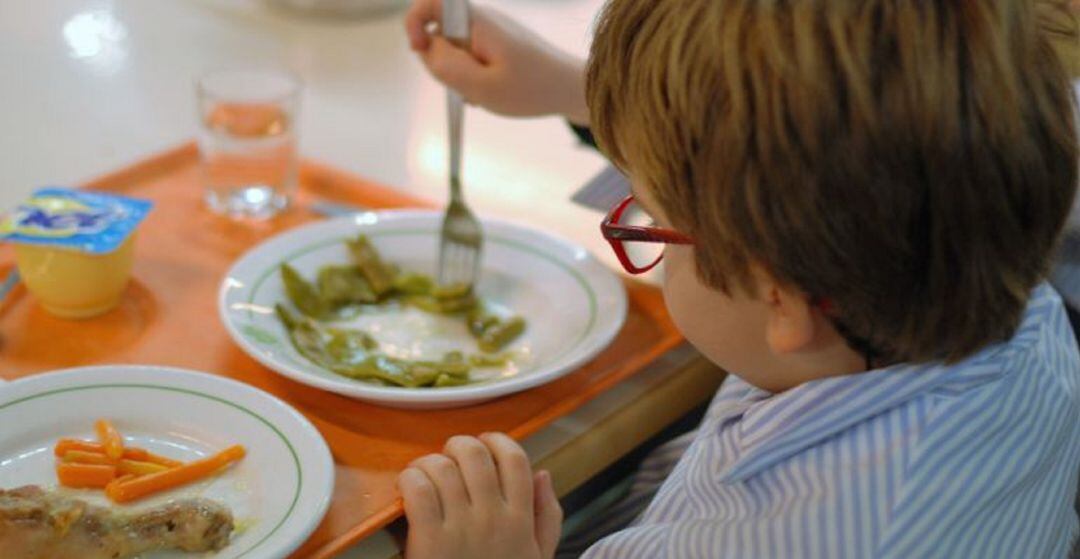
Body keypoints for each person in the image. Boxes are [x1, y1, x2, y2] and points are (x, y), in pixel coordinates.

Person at [396, 0, 1080, 557]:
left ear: (779, 298)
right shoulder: (1006, 280)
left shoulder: (772, 539)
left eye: (651, 218)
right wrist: (572, 89)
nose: (646, 229)